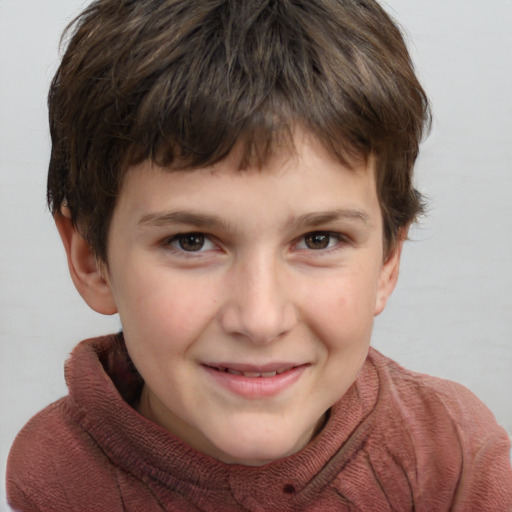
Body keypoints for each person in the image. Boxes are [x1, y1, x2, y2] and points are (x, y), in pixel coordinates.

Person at [6, 0, 512, 510]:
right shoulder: (57, 475)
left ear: (387, 261)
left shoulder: (457, 458)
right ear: (92, 260)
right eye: (192, 241)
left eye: (319, 240)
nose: (260, 319)